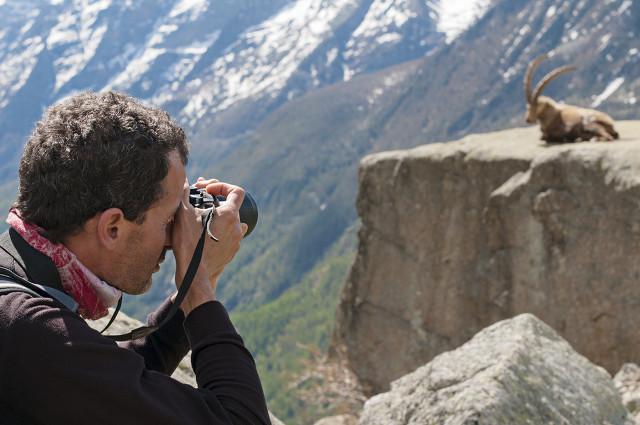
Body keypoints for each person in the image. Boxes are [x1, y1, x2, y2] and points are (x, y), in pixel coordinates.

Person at [0, 91, 271, 424]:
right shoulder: (32, 334)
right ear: (113, 227)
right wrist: (200, 291)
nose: (176, 238)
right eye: (170, 218)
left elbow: (113, 388)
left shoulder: (17, 282)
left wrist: (190, 287)